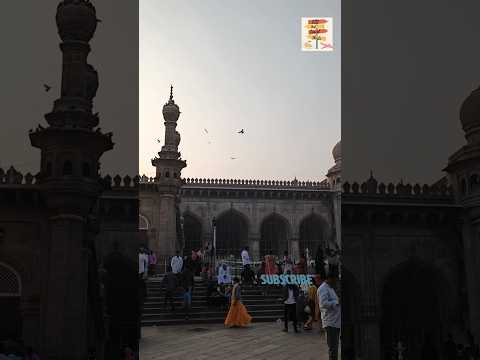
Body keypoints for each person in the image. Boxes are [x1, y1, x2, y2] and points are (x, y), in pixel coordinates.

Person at [318, 271, 341, 360]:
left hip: (335, 321)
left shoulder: (330, 288)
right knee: (332, 348)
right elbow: (323, 303)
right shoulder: (322, 288)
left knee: (335, 347)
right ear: (330, 279)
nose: (336, 282)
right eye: (335, 280)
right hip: (330, 322)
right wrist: (336, 302)